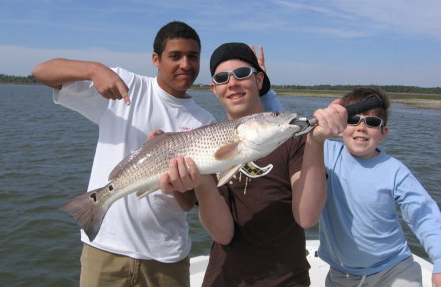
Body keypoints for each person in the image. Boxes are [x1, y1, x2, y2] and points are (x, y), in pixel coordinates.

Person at [32, 21, 217, 287]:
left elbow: (188, 204)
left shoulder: (206, 121)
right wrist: (94, 69)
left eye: (193, 56)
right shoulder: (125, 86)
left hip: (167, 256)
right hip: (105, 250)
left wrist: (179, 186)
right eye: (175, 56)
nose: (185, 64)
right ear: (156, 59)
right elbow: (42, 72)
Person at [160, 42, 347, 286]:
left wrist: (316, 142)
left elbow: (307, 217)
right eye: (222, 78)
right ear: (214, 89)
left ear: (259, 80)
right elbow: (222, 234)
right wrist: (203, 182)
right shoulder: (206, 145)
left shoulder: (294, 140)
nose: (233, 83)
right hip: (223, 279)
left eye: (242, 74)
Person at [318, 87, 441, 287]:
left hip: (394, 270)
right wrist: (265, 90)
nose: (361, 127)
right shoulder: (324, 152)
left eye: (372, 122)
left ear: (383, 132)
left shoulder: (395, 171)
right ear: (339, 128)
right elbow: (282, 127)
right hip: (341, 275)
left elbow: (424, 215)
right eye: (353, 120)